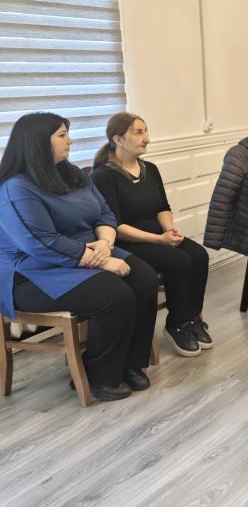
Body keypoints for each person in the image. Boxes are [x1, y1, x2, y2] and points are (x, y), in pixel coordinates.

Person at [0, 112, 159, 401]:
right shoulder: (15, 187)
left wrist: (106, 243)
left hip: (90, 250)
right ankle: (99, 375)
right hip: (33, 272)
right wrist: (101, 259)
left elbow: (104, 213)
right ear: (38, 142)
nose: (70, 141)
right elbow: (40, 242)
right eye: (62, 135)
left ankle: (130, 363)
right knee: (114, 295)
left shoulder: (71, 172)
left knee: (145, 279)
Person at [91, 112, 212, 357]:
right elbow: (114, 224)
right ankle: (177, 323)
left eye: (145, 131)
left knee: (199, 255)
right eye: (138, 133)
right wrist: (159, 240)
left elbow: (162, 207)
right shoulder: (103, 176)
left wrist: (169, 230)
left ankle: (192, 318)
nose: (146, 138)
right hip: (127, 242)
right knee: (179, 261)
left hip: (158, 235)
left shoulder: (150, 169)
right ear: (118, 139)